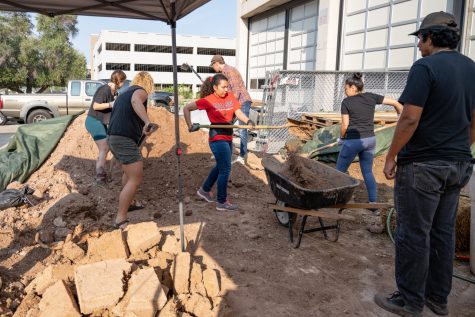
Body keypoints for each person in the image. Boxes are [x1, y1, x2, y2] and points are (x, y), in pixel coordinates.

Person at [376, 12, 475, 317]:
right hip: (458, 163)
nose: (418, 45)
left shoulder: (425, 67)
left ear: (431, 37)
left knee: (414, 232)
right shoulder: (471, 68)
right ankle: (437, 299)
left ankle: (410, 301)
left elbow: (409, 117)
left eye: (420, 39)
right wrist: (460, 147)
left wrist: (391, 155)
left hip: (423, 166)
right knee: (442, 232)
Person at [184, 74, 254, 211]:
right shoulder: (208, 100)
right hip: (217, 138)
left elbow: (238, 112)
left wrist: (248, 121)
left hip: (228, 136)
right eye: (223, 87)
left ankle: (205, 190)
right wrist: (189, 125)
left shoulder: (230, 97)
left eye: (227, 86)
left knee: (221, 166)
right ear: (215, 87)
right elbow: (186, 108)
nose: (226, 89)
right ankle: (222, 201)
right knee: (225, 169)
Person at [335, 72, 402, 205]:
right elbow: (395, 102)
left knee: (338, 172)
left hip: (353, 141)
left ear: (353, 87)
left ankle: (337, 199)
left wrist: (342, 137)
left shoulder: (346, 102)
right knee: (367, 172)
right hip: (370, 141)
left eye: (346, 88)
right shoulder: (371, 96)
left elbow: (345, 125)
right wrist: (400, 113)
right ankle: (373, 204)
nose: (345, 91)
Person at [107, 71, 156, 229]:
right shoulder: (139, 92)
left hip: (114, 137)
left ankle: (130, 203)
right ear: (148, 83)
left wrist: (143, 131)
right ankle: (120, 219)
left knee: (128, 173)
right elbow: (136, 102)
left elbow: (125, 116)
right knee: (136, 177)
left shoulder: (124, 93)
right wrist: (147, 121)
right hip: (123, 139)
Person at [85, 70, 126, 184]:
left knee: (110, 145)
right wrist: (111, 104)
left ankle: (108, 171)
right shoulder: (105, 89)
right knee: (104, 147)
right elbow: (96, 106)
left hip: (101, 122)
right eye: (124, 81)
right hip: (93, 120)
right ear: (119, 81)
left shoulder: (114, 92)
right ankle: (100, 175)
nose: (124, 84)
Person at [210, 55, 253, 164]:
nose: (213, 68)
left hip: (242, 102)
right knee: (225, 125)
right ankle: (223, 152)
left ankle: (243, 156)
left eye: (212, 66)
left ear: (216, 63)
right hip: (235, 102)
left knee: (242, 129)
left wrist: (228, 105)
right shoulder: (223, 73)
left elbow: (236, 92)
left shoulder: (230, 71)